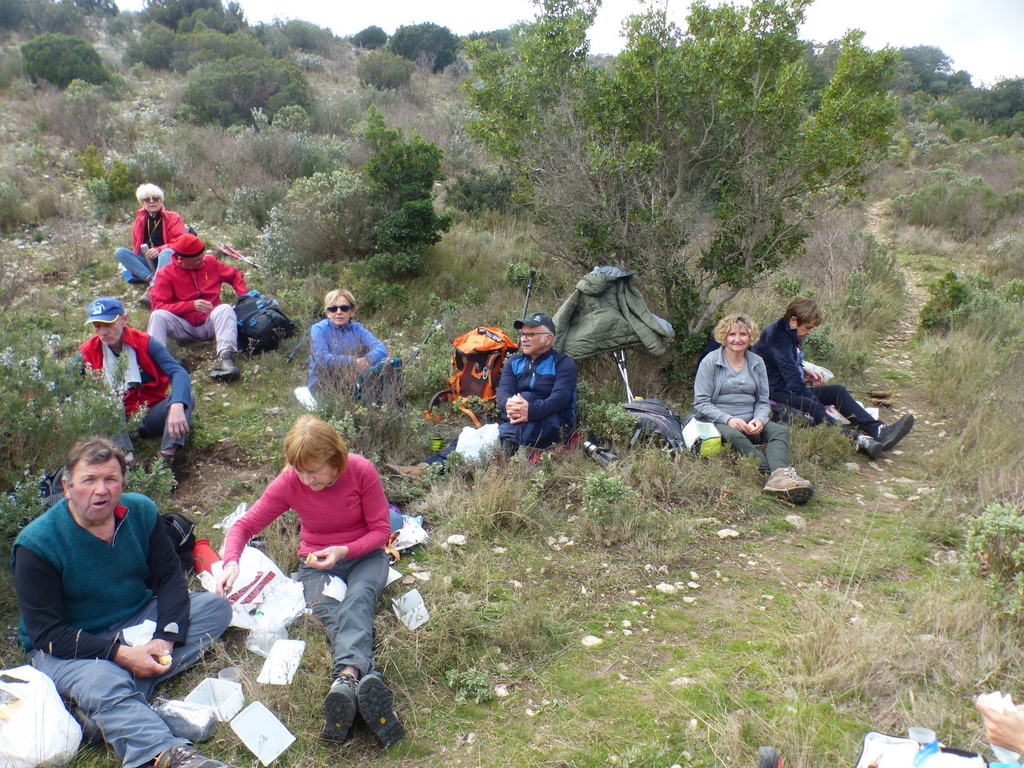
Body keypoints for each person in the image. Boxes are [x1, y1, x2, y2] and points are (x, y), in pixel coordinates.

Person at [11, 438, 235, 768]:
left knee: (216, 608)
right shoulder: (37, 545)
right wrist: (123, 655)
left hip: (136, 618)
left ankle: (110, 706)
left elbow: (170, 576)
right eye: (89, 480)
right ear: (67, 485)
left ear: (122, 482)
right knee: (103, 678)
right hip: (67, 645)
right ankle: (164, 756)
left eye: (110, 479)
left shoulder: (140, 511)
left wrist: (166, 637)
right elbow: (47, 633)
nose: (100, 490)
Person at [215, 415, 404, 748]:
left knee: (358, 599)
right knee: (329, 611)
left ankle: (345, 679)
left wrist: (344, 549)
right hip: (317, 563)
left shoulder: (361, 471)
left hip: (364, 556)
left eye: (314, 470)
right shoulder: (291, 481)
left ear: (335, 460)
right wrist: (231, 563)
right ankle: (364, 679)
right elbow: (243, 527)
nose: (306, 479)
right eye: (299, 470)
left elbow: (381, 532)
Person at [387, 311, 578, 478]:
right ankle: (423, 469)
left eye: (530, 334)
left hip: (554, 424)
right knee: (471, 438)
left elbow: (559, 399)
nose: (524, 339)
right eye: (522, 334)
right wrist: (509, 406)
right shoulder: (514, 362)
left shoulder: (563, 364)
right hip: (518, 422)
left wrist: (531, 410)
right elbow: (503, 393)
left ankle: (498, 465)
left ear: (548, 338)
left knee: (525, 401)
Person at [751, 297, 914, 459]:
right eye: (807, 328)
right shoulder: (777, 337)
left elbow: (784, 364)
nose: (809, 332)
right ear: (794, 320)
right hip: (772, 391)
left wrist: (804, 369)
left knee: (837, 391)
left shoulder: (788, 331)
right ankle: (856, 439)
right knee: (811, 404)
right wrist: (815, 404)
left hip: (783, 386)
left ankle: (878, 430)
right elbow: (795, 384)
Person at [694, 314, 814, 504]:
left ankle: (780, 478)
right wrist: (729, 420)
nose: (737, 339)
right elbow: (701, 403)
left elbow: (763, 401)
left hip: (750, 419)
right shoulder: (710, 361)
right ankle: (777, 475)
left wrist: (760, 419)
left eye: (743, 334)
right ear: (724, 336)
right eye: (732, 334)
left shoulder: (757, 362)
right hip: (718, 419)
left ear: (751, 337)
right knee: (734, 436)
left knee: (780, 431)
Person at [79, 297, 193, 460]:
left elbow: (179, 373)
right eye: (97, 326)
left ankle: (167, 457)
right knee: (100, 406)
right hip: (114, 422)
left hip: (150, 415)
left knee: (184, 397)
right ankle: (126, 459)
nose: (103, 332)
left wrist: (176, 405)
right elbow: (65, 387)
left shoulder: (145, 342)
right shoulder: (86, 352)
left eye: (108, 324)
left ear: (124, 320)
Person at [147, 233, 246, 382]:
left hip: (210, 323)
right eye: (196, 261)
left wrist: (243, 297)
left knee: (225, 308)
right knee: (158, 316)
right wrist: (190, 306)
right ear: (180, 259)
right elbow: (159, 305)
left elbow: (235, 275)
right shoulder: (165, 274)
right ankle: (154, 365)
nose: (202, 262)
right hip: (183, 326)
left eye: (202, 257)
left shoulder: (210, 262)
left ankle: (226, 358)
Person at [113, 184, 187, 310]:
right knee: (119, 252)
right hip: (149, 261)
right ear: (142, 203)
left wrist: (159, 249)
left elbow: (182, 242)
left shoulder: (173, 217)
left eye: (155, 198)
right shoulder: (140, 220)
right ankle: (153, 280)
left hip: (170, 260)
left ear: (161, 200)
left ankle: (153, 289)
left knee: (166, 252)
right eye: (146, 199)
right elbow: (136, 245)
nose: (151, 202)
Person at [308, 289, 389, 394]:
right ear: (327, 313)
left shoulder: (358, 329)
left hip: (353, 376)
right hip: (323, 380)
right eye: (333, 309)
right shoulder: (319, 329)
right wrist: (353, 362)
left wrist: (364, 362)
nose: (338, 312)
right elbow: (321, 359)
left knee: (362, 349)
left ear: (352, 311)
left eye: (344, 308)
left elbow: (382, 349)